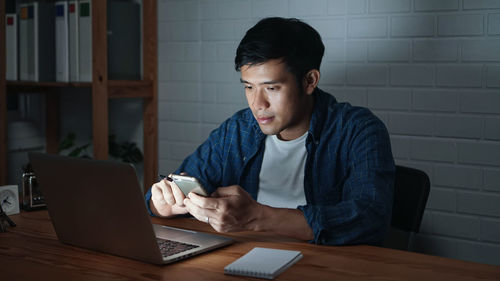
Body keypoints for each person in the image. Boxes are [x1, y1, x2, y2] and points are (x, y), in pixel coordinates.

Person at [146, 17, 395, 246]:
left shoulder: (358, 130)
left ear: (309, 81)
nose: (257, 104)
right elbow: (183, 183)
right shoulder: (238, 130)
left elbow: (370, 219)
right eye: (249, 87)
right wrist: (162, 204)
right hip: (244, 260)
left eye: (272, 88)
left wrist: (257, 217)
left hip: (326, 267)